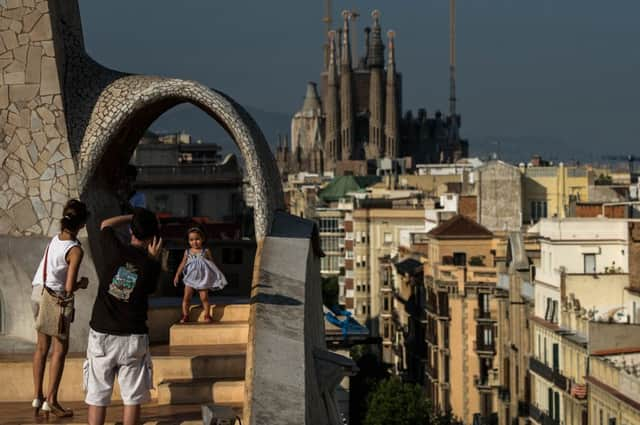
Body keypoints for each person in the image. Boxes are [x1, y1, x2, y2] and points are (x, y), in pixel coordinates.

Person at [84, 208, 163, 425]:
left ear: (131, 231)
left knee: (97, 396)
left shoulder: (114, 249)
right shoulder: (151, 266)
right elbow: (150, 289)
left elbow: (105, 224)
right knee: (132, 398)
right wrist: (154, 259)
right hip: (133, 336)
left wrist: (133, 217)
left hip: (102, 332)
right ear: (153, 239)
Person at [31, 199, 90, 417]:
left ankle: (37, 397)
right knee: (59, 350)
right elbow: (68, 288)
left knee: (41, 348)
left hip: (38, 293)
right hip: (56, 301)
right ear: (82, 224)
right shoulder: (75, 250)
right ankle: (51, 400)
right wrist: (81, 284)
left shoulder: (55, 240)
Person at [173, 227, 228, 323]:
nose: (195, 242)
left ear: (202, 239)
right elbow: (182, 264)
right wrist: (177, 275)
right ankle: (185, 315)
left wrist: (217, 274)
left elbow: (212, 263)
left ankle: (207, 315)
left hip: (203, 279)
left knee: (204, 298)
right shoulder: (187, 252)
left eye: (197, 239)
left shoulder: (205, 251)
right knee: (186, 298)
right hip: (190, 279)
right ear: (188, 241)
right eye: (191, 240)